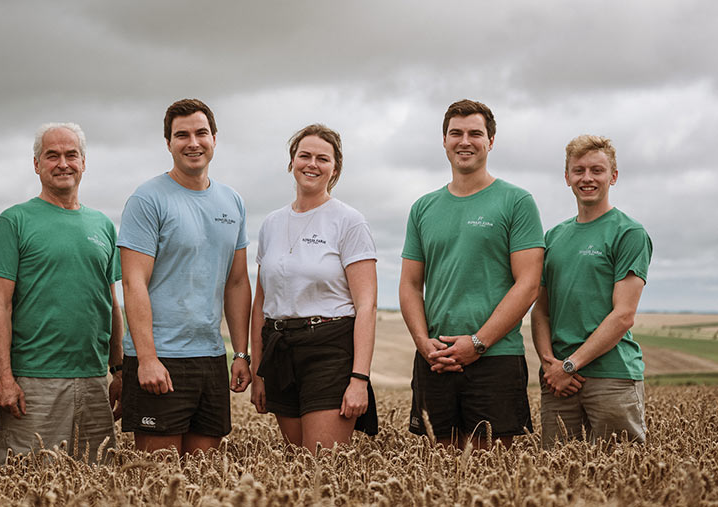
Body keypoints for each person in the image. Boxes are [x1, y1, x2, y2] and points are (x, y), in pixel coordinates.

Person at [399, 99, 544, 449]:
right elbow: (409, 284)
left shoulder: (516, 202)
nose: (465, 141)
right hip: (437, 359)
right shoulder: (423, 207)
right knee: (438, 474)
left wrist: (477, 343)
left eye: (475, 133)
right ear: (444, 141)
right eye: (456, 133)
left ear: (490, 141)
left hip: (495, 358)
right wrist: (423, 345)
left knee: (490, 474)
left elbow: (529, 284)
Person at [118, 98, 251, 454]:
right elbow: (133, 283)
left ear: (215, 138)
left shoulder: (232, 201)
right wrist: (147, 358)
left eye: (201, 133)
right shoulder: (147, 200)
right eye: (182, 135)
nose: (193, 142)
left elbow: (236, 282)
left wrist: (241, 353)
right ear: (168, 144)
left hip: (210, 357)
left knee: (202, 477)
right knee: (158, 479)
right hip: (161, 356)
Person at [0, 123, 123, 464]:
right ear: (36, 164)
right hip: (33, 383)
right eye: (52, 156)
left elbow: (110, 302)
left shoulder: (102, 225)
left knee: (96, 485)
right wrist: (4, 378)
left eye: (71, 155)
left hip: (93, 381)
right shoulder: (14, 221)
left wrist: (119, 371)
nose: (63, 163)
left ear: (84, 162)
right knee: (25, 484)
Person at [249, 124, 378, 453]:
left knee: (322, 466)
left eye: (323, 158)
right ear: (291, 161)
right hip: (280, 350)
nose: (312, 164)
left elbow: (366, 306)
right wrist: (258, 370)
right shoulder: (271, 223)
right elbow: (261, 300)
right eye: (304, 155)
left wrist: (359, 379)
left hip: (329, 350)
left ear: (335, 168)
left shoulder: (349, 221)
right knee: (297, 468)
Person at [531, 135, 652, 448]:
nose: (587, 178)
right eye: (579, 170)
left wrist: (571, 364)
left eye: (597, 170)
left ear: (613, 176)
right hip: (559, 383)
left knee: (622, 475)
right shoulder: (553, 236)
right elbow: (541, 310)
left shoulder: (628, 232)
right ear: (567, 176)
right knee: (555, 478)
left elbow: (623, 315)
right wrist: (550, 365)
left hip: (611, 376)